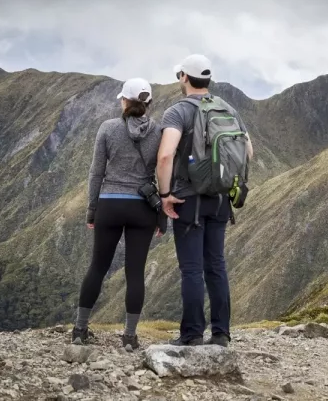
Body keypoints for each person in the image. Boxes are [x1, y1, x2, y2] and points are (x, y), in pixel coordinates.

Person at [156, 54, 253, 347]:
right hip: (221, 200)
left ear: (184, 77)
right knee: (217, 266)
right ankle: (221, 334)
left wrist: (164, 195)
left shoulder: (178, 112)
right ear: (208, 80)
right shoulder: (228, 108)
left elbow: (164, 155)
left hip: (188, 200)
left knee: (192, 270)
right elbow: (248, 152)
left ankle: (192, 335)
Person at [73, 77, 166, 351]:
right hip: (142, 208)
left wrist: (92, 209)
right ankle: (129, 337)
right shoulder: (159, 132)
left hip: (110, 204)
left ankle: (79, 330)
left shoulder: (108, 128)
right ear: (148, 104)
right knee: (135, 272)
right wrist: (162, 215)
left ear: (125, 101)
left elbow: (96, 172)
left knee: (98, 267)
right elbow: (163, 174)